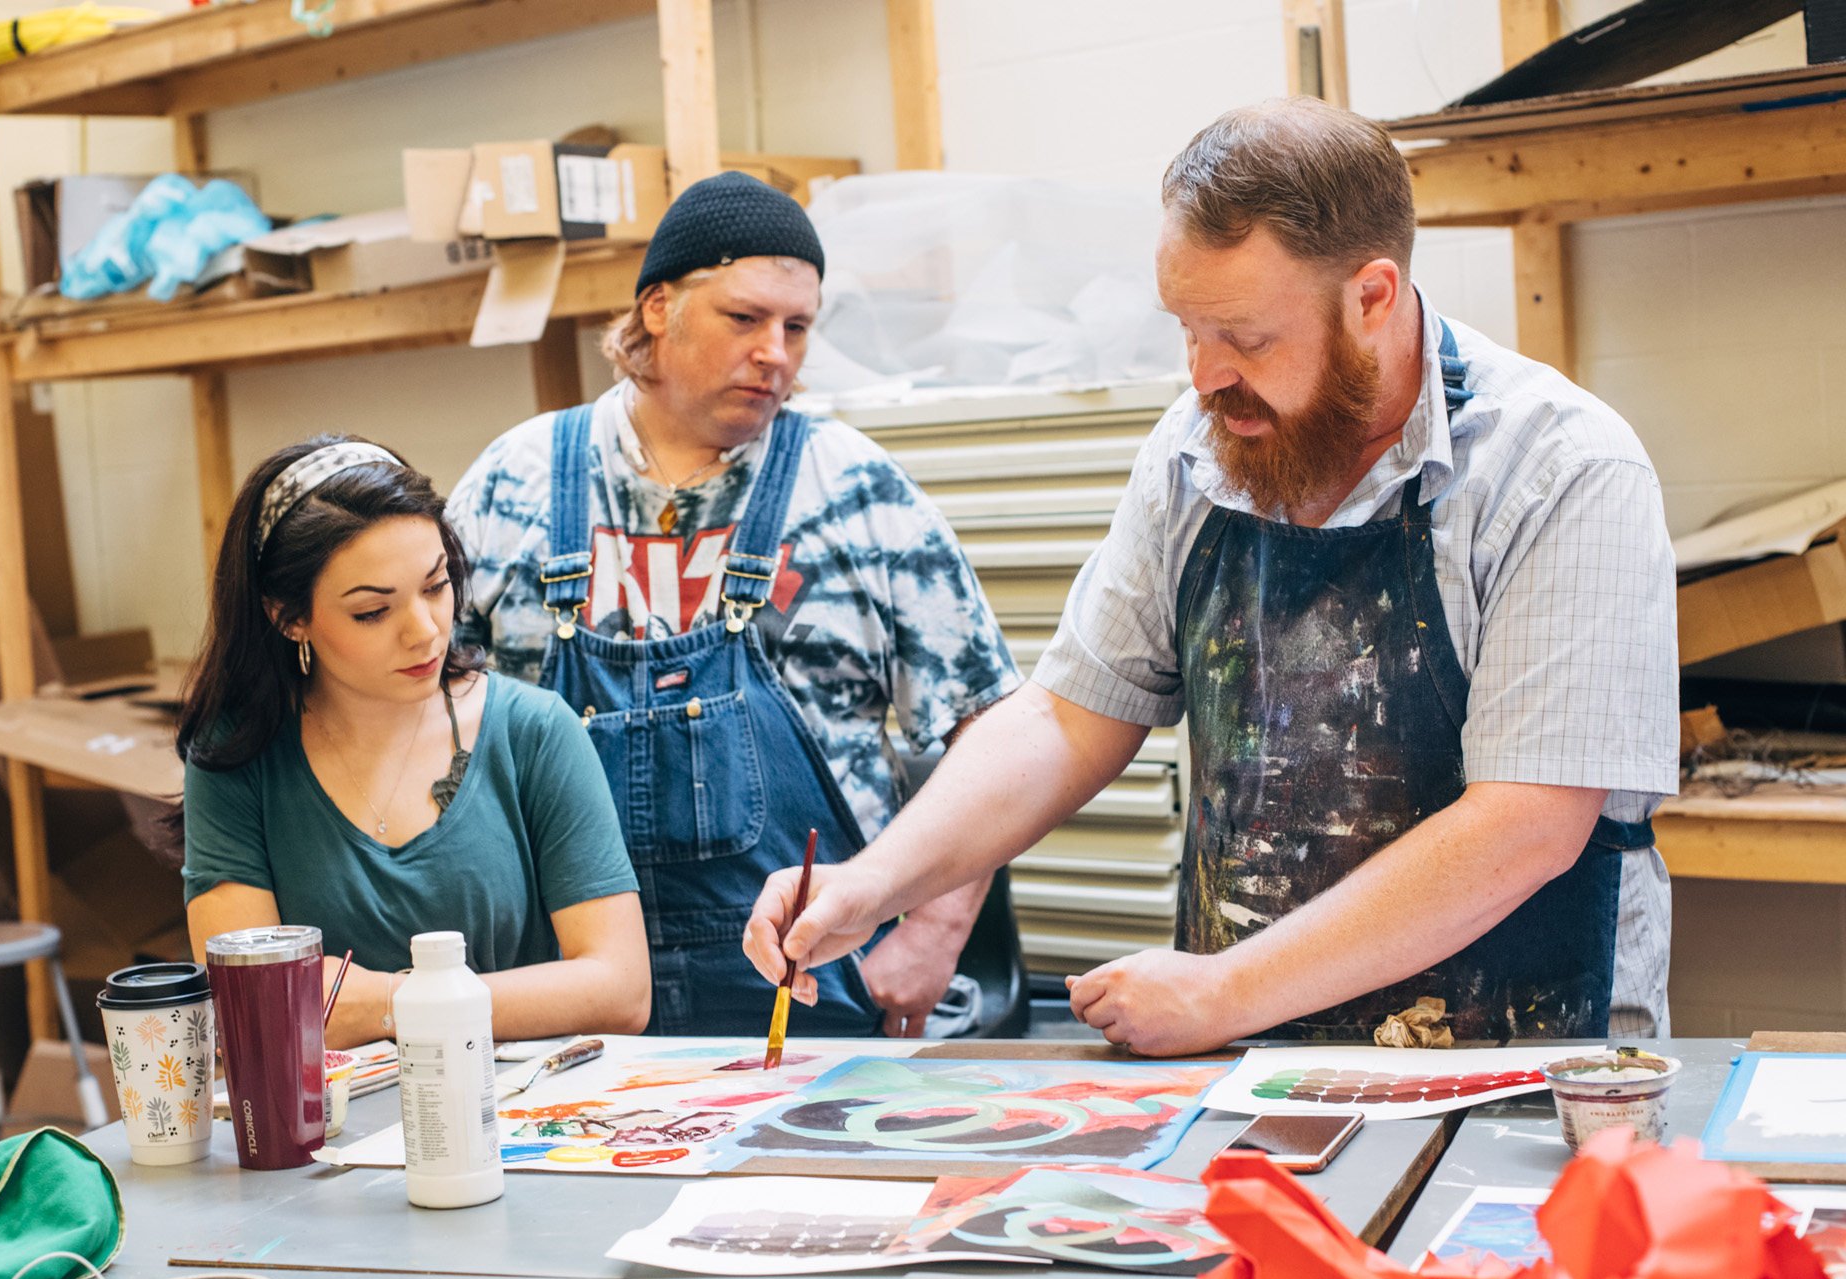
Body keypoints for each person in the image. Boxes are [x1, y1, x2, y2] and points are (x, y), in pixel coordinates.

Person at [744, 98, 1679, 1053]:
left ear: (1373, 297)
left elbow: (1525, 824)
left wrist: (1226, 992)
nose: (1203, 374)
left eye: (1245, 337)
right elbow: (1066, 720)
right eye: (1186, 329)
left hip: (1525, 1067)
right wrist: (873, 883)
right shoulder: (1199, 450)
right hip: (1253, 1070)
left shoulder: (1559, 472)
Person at [448, 172, 1022, 1038]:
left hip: (814, 982)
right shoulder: (512, 482)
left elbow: (992, 728)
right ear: (657, 309)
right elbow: (423, 720)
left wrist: (936, 933)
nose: (776, 354)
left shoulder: (856, 490)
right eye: (744, 319)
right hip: (563, 989)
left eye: (797, 327)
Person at [179, 434, 651, 1047]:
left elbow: (621, 990)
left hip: (523, 1119)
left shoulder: (533, 730)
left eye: (436, 586)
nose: (425, 631)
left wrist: (392, 1003)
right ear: (288, 616)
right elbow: (252, 1009)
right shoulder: (236, 753)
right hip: (333, 1132)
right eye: (373, 612)